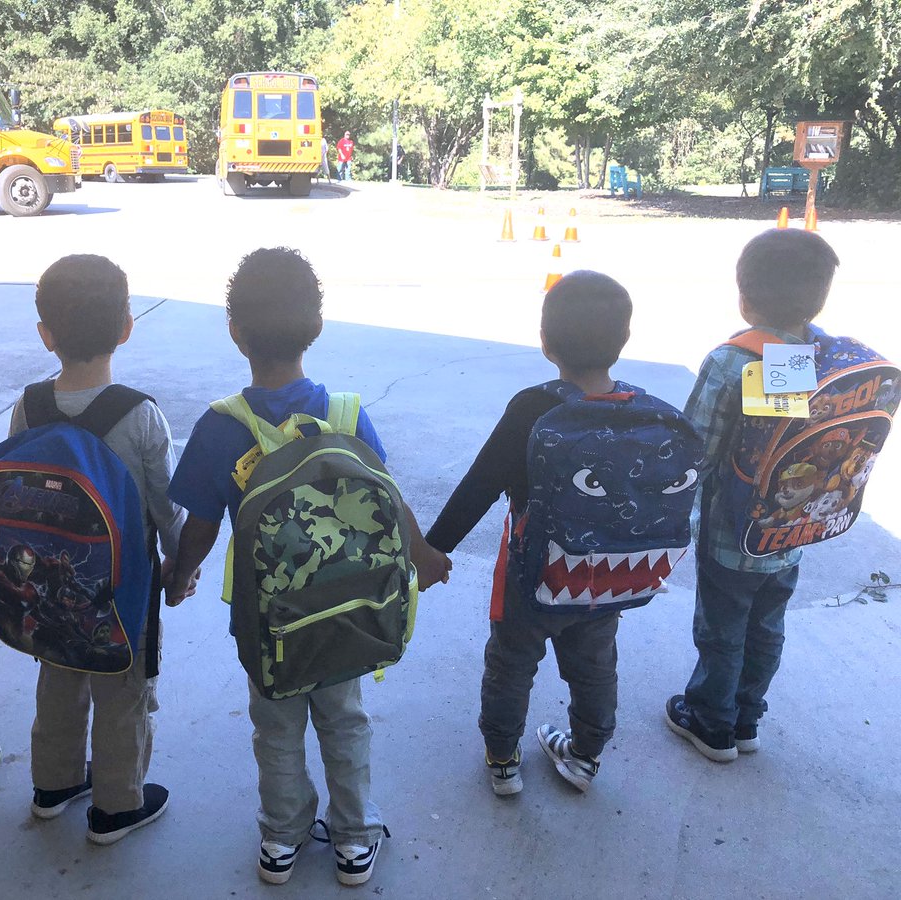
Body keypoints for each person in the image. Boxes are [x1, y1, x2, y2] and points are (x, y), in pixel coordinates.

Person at [163, 247, 450, 887]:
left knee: (276, 725)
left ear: (235, 332)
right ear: (316, 328)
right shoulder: (346, 414)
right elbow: (388, 498)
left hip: (265, 619)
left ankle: (282, 838)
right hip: (348, 611)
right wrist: (424, 557)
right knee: (344, 720)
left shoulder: (219, 427)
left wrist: (180, 574)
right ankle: (353, 839)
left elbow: (202, 524)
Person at [426, 271, 637, 795]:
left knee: (512, 662)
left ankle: (502, 759)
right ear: (624, 340)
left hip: (532, 570)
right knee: (594, 666)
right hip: (609, 574)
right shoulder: (640, 410)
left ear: (546, 343)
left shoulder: (533, 406)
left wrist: (433, 550)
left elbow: (481, 483)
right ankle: (585, 756)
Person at [8, 254, 192, 842]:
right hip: (123, 588)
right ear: (126, 327)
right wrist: (179, 567)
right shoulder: (140, 414)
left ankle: (54, 782)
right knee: (124, 692)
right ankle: (117, 806)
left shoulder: (28, 405)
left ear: (46, 335)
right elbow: (166, 504)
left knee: (59, 676)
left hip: (48, 584)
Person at [665, 229, 841, 761]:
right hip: (792, 530)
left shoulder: (733, 361)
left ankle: (710, 723)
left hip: (731, 535)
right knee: (767, 627)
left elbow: (696, 450)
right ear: (820, 297)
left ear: (744, 299)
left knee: (722, 627)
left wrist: (677, 522)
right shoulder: (827, 355)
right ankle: (746, 720)